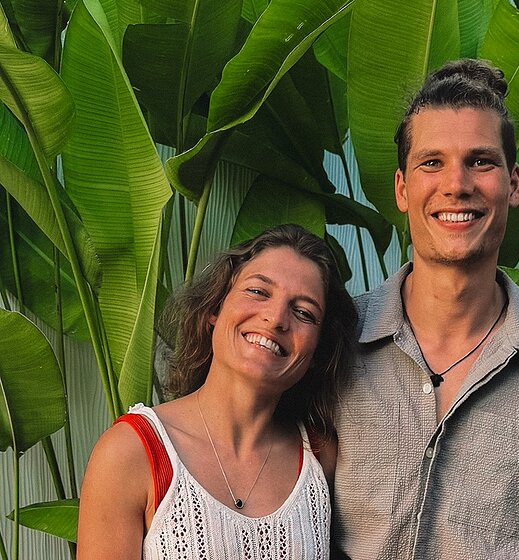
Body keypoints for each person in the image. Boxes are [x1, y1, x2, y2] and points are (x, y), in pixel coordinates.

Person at [331, 59, 519, 559]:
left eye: (480, 161)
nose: (457, 184)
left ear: (513, 184)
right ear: (402, 189)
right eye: (432, 162)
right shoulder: (335, 340)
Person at [78, 224, 357, 559]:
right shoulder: (132, 452)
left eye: (303, 312)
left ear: (318, 351)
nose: (275, 318)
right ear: (215, 308)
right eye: (258, 291)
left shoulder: (320, 457)